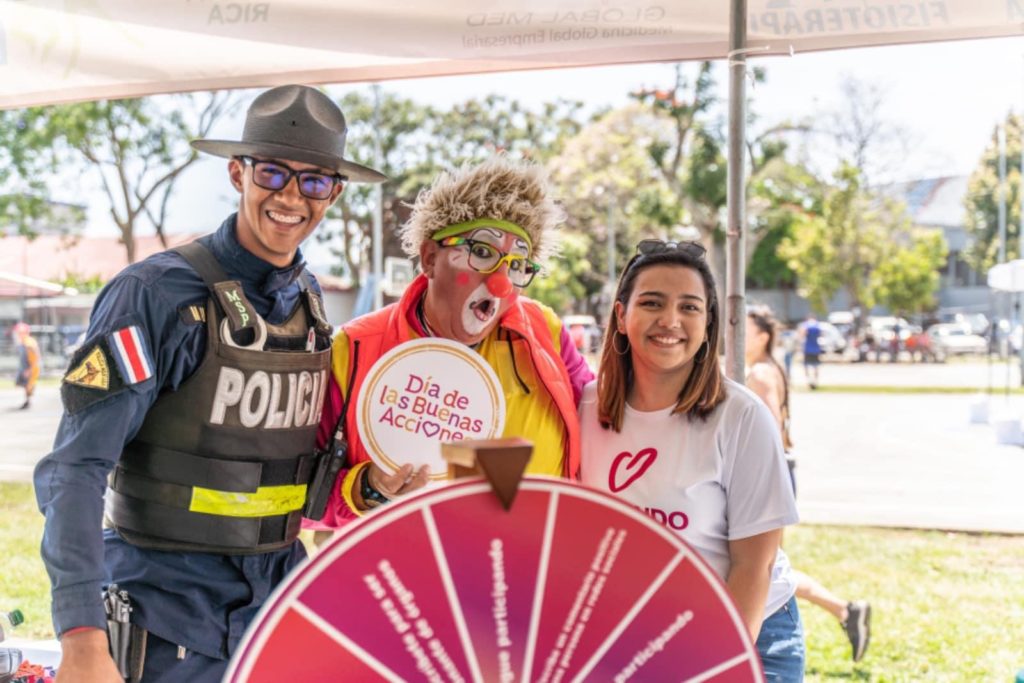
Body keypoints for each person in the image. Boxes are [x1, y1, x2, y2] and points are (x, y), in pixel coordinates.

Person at [33, 84, 385, 682]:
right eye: (273, 173)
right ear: (237, 173)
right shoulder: (152, 295)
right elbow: (75, 469)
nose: (291, 196)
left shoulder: (310, 302)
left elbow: (279, 476)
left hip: (275, 621)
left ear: (334, 193)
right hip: (168, 623)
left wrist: (369, 487)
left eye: (313, 181)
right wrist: (82, 638)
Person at [310, 156, 594, 523]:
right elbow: (302, 498)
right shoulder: (353, 349)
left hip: (534, 553)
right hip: (413, 557)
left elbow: (606, 423)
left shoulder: (544, 330)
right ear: (430, 258)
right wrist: (367, 489)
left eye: (516, 264)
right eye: (482, 252)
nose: (500, 283)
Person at [579, 239, 803, 681]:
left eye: (689, 307)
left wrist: (715, 664)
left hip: (749, 632)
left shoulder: (741, 416)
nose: (670, 321)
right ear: (621, 316)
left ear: (708, 322)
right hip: (638, 635)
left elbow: (753, 565)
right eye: (652, 303)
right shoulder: (585, 408)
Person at [747, 306, 872, 663]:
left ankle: (843, 610)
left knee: (766, 567)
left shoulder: (760, 372)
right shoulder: (771, 367)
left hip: (770, 474)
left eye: (743, 328)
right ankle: (845, 610)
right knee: (768, 565)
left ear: (763, 337)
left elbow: (768, 427)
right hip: (780, 470)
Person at [12, 322, 40, 410]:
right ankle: (27, 400)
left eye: (20, 332)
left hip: (30, 367)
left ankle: (28, 401)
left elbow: (36, 356)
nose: (18, 334)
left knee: (28, 385)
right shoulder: (23, 342)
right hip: (26, 367)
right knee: (24, 384)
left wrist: (29, 370)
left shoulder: (29, 343)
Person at [801, 314, 823, 389]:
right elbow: (820, 334)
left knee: (806, 366)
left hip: (807, 348)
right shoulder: (817, 325)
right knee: (815, 366)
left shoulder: (806, 325)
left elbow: (803, 334)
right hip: (816, 348)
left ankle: (809, 381)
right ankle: (815, 381)